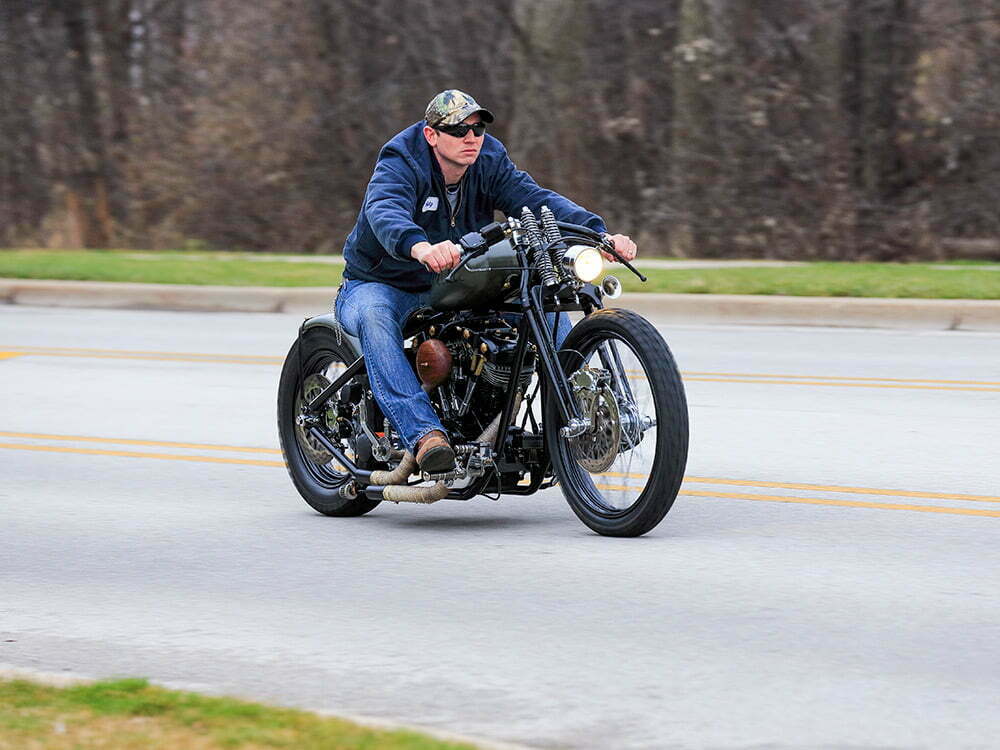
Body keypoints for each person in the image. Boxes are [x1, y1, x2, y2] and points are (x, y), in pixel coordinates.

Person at [335, 89, 637, 474]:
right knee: (376, 318)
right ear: (432, 135)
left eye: (477, 129)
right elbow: (384, 209)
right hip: (383, 282)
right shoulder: (401, 159)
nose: (471, 138)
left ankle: (580, 413)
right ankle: (424, 435)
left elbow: (534, 199)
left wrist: (597, 235)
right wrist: (420, 246)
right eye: (460, 130)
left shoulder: (487, 158)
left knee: (544, 301)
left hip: (457, 277)